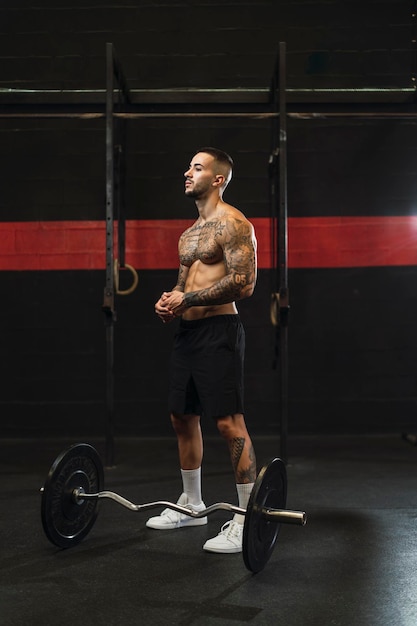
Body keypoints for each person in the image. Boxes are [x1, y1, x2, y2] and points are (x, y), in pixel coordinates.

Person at [146, 147, 257, 554]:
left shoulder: (234, 223)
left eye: (196, 167)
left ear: (218, 178)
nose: (186, 172)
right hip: (189, 334)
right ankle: (192, 504)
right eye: (188, 165)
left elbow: (244, 283)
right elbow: (183, 284)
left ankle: (246, 519)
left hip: (219, 332)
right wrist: (169, 301)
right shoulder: (189, 234)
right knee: (182, 416)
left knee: (228, 423)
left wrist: (188, 300)